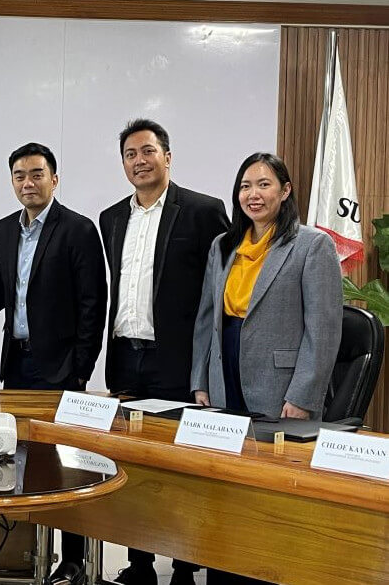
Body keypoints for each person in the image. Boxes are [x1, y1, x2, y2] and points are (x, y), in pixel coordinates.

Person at [0, 142, 107, 585]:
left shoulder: (77, 229)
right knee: (22, 459)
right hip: (16, 366)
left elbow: (93, 303)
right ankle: (27, 554)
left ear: (54, 179)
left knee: (67, 463)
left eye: (37, 174)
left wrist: (81, 370)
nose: (28, 182)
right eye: (19, 175)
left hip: (60, 369)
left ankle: (72, 560)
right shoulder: (4, 230)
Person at [191, 155, 342, 585]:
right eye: (244, 186)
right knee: (228, 483)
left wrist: (304, 395)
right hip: (226, 376)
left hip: (282, 387)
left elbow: (324, 329)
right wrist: (201, 380)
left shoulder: (312, 245)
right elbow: (207, 318)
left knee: (272, 490)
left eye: (263, 185)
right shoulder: (223, 245)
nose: (252, 195)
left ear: (286, 191)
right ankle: (228, 567)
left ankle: (271, 570)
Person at [100, 120, 228, 585]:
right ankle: (138, 564)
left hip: (177, 360)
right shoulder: (111, 217)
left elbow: (218, 293)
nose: (139, 160)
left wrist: (206, 370)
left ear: (167, 157)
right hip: (127, 359)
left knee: (181, 466)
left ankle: (184, 563)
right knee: (131, 464)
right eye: (130, 154)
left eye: (148, 151)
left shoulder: (202, 211)